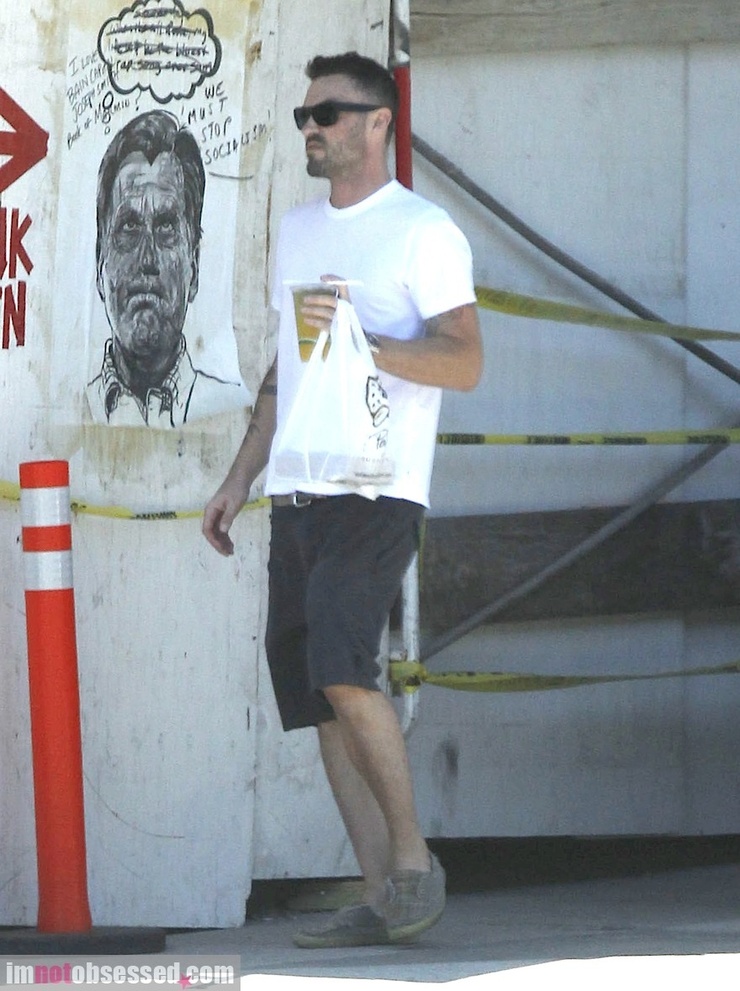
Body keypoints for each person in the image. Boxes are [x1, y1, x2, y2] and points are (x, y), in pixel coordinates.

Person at [203, 52, 482, 948]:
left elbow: (465, 361)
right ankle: (378, 892)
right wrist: (241, 476)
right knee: (318, 696)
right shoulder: (297, 230)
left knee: (343, 668)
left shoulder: (422, 231)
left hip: (376, 485)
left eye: (327, 113)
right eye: (305, 115)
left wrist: (370, 343)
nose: (311, 128)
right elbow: (286, 366)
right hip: (298, 488)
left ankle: (415, 863)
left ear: (378, 122)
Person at [87, 110, 248, 427]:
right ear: (100, 261)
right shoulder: (73, 405)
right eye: (129, 227)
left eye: (165, 228)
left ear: (194, 266)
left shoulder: (228, 413)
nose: (147, 260)